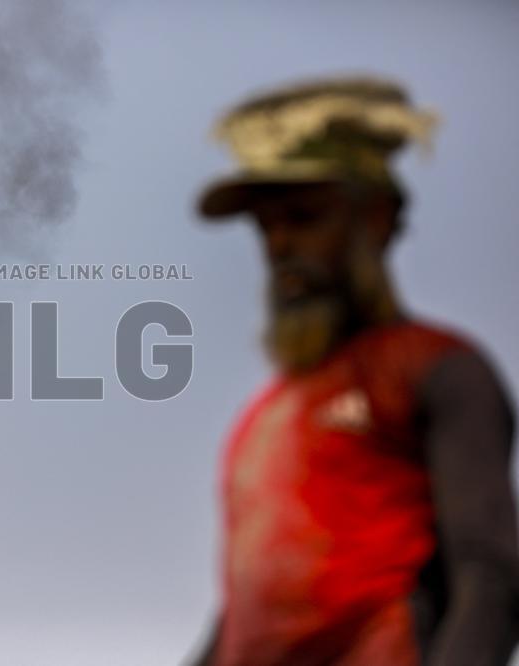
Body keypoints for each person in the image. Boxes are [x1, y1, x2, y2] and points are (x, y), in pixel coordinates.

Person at [190, 76, 519, 665]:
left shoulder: (437, 370)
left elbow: (491, 574)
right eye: (266, 226)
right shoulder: (264, 416)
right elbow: (247, 614)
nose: (279, 245)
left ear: (376, 219)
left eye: (304, 216)